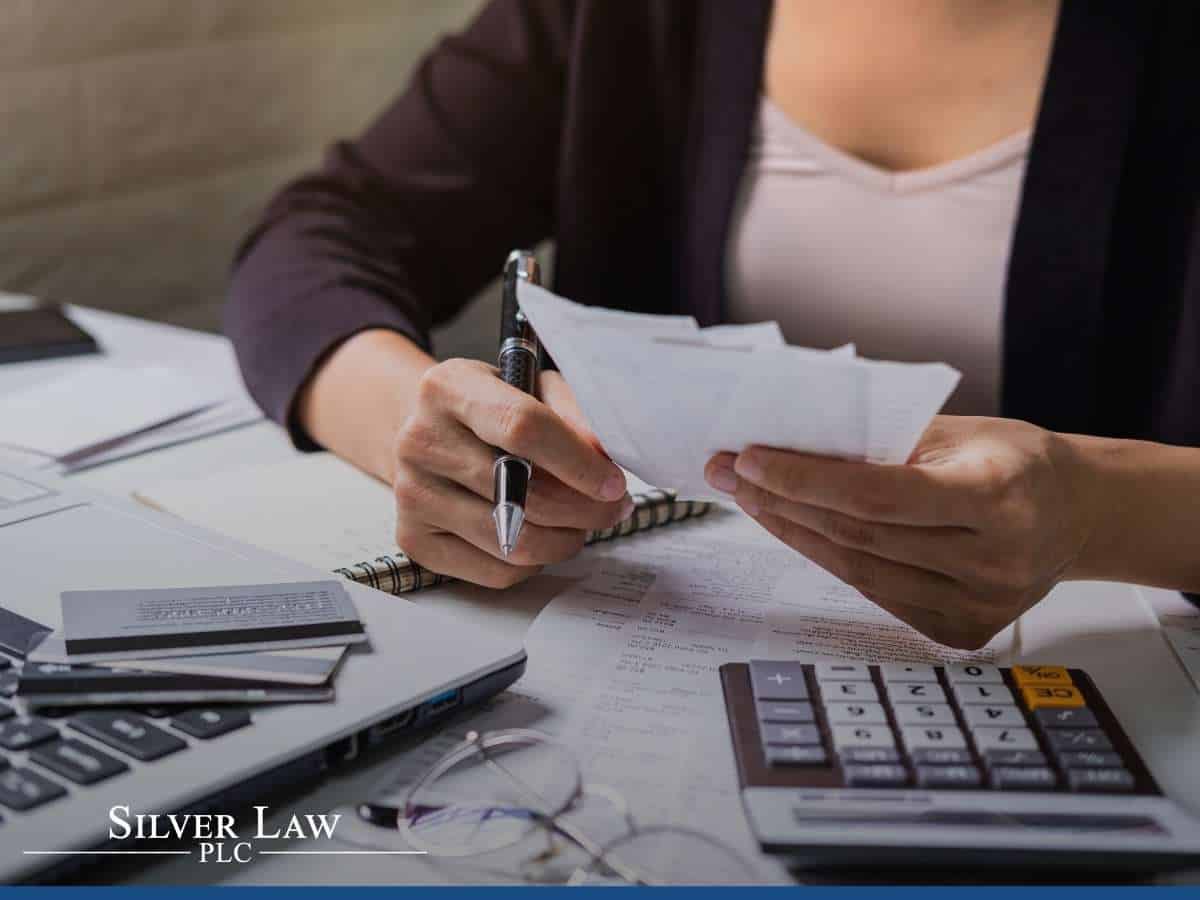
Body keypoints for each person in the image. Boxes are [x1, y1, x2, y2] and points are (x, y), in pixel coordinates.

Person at [226, 0, 1200, 650]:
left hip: (1108, 701)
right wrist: (416, 424)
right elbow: (318, 238)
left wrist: (1095, 512)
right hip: (678, 661)